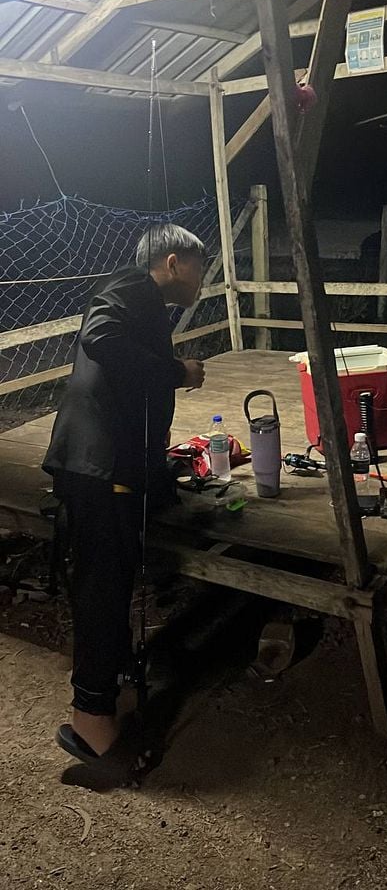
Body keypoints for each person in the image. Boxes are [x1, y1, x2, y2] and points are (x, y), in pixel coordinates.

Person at [43, 224, 206, 764]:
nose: (204, 280)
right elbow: (101, 338)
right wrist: (176, 371)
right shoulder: (133, 285)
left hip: (107, 463)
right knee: (103, 587)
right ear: (175, 261)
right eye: (201, 267)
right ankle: (91, 719)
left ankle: (106, 693)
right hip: (98, 465)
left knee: (110, 581)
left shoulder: (147, 301)